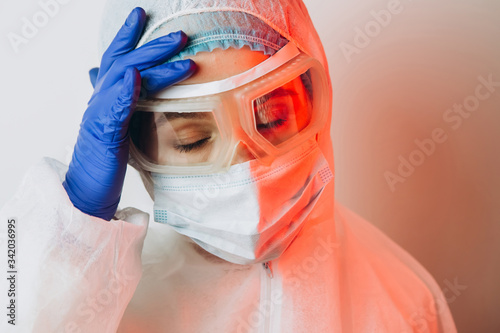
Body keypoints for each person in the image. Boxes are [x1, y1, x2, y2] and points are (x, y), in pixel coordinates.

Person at [0, 1, 457, 332]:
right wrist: (71, 232)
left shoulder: (406, 301)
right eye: (192, 138)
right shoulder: (102, 301)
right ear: (137, 150)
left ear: (318, 101)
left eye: (273, 118)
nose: (246, 168)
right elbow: (17, 313)